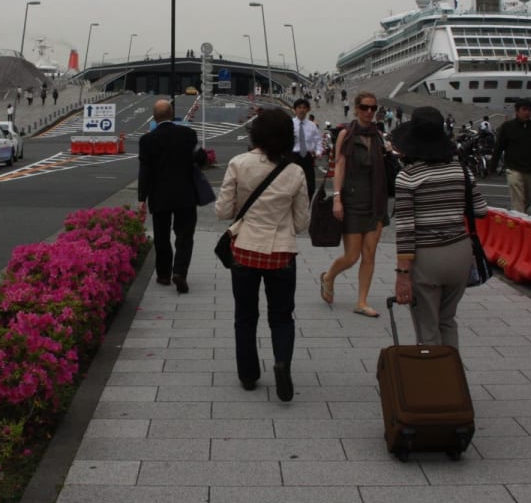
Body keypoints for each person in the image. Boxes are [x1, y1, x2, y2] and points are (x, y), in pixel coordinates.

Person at [216, 107, 309, 400]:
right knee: (282, 316)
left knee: (245, 314)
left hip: (245, 250)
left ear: (255, 132)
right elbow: (302, 222)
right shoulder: (295, 172)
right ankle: (282, 363)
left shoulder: (238, 163)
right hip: (281, 252)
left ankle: (248, 373)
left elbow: (222, 211)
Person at [390, 106, 488, 346]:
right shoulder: (462, 172)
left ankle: (434, 382)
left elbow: (405, 228)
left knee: (427, 327)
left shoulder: (408, 177)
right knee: (447, 320)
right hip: (459, 255)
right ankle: (452, 379)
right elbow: (481, 210)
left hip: (427, 257)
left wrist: (403, 274)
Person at [319, 91, 391, 318]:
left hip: (376, 201)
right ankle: (329, 276)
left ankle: (361, 301)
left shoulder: (379, 136)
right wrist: (337, 197)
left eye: (373, 108)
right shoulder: (345, 135)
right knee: (352, 256)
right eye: (365, 108)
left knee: (369, 254)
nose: (369, 112)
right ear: (357, 108)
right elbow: (339, 166)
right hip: (352, 199)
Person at [137, 99, 208, 294]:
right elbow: (201, 158)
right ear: (172, 114)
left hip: (159, 195)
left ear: (154, 117)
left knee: (161, 235)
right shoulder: (189, 135)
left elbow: (145, 171)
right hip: (186, 194)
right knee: (185, 235)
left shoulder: (147, 140)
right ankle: (180, 271)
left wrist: (142, 198)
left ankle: (163, 274)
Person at [489, 99, 531, 213]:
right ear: (517, 111)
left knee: (529, 195)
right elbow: (499, 147)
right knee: (517, 196)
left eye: (529, 110)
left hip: (530, 168)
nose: (527, 113)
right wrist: (492, 166)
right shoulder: (507, 127)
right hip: (513, 167)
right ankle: (519, 217)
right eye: (524, 110)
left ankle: (521, 214)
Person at [290, 98, 322, 198]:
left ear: (307, 110)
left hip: (307, 157)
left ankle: (308, 207)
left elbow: (318, 140)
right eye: (299, 107)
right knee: (293, 185)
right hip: (293, 157)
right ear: (295, 109)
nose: (302, 110)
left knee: (310, 186)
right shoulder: (289, 124)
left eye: (304, 108)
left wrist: (318, 151)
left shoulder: (312, 125)